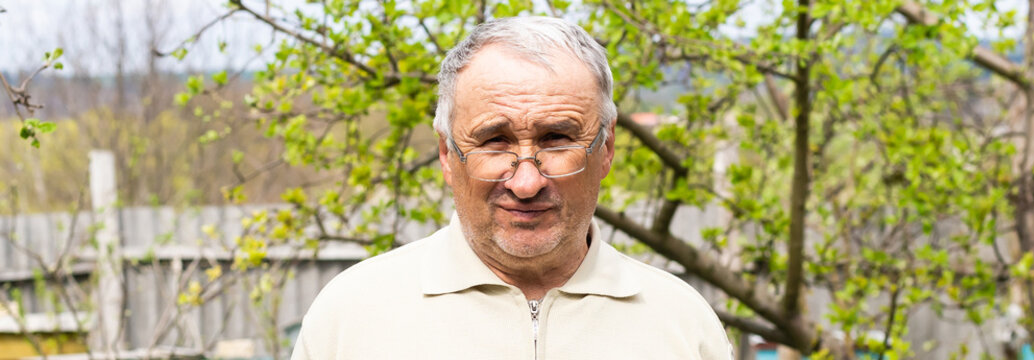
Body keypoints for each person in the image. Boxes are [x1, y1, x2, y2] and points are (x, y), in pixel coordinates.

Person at [290, 16, 732, 360]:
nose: (526, 182)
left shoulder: (682, 325)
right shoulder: (351, 317)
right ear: (447, 154)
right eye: (494, 140)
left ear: (607, 148)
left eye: (557, 139)